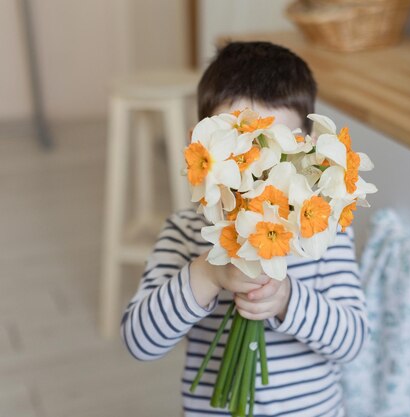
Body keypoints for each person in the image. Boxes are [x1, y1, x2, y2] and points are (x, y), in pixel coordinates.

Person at [121, 41, 367, 417]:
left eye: (275, 153)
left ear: (311, 152)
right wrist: (207, 273)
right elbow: (140, 342)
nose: (257, 175)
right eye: (241, 152)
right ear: (200, 145)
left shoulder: (325, 233)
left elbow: (353, 343)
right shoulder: (186, 232)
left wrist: (287, 300)